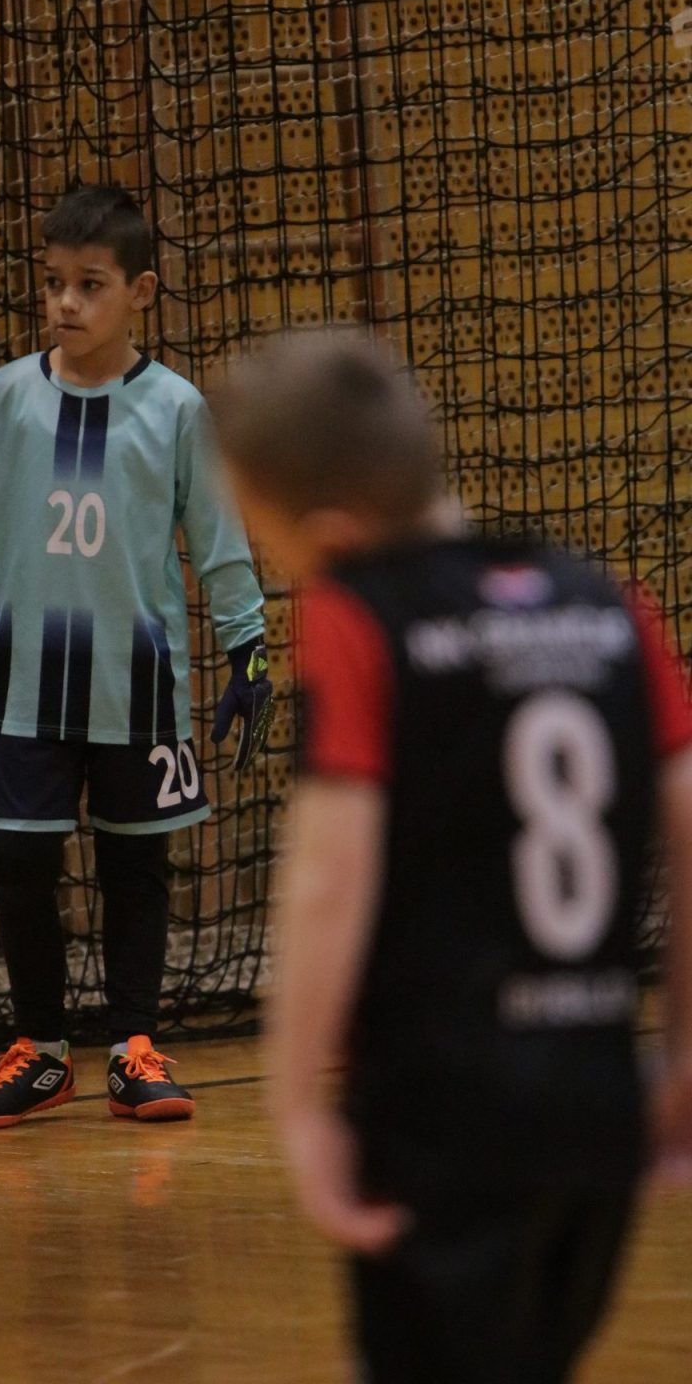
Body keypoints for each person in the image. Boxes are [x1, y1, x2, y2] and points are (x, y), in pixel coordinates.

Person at [213, 325, 692, 1384]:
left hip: (441, 1118)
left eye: (267, 541)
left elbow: (327, 880)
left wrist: (296, 1107)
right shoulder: (613, 606)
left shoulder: (355, 617)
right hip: (595, 1105)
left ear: (331, 535)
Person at [0, 185, 274, 1129]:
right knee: (21, 864)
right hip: (29, 688)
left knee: (136, 869)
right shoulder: (6, 398)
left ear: (141, 291)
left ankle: (134, 1048)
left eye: (90, 284)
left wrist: (248, 648)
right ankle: (42, 1053)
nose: (66, 302)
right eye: (55, 282)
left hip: (140, 688)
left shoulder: (177, 408)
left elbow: (218, 543)